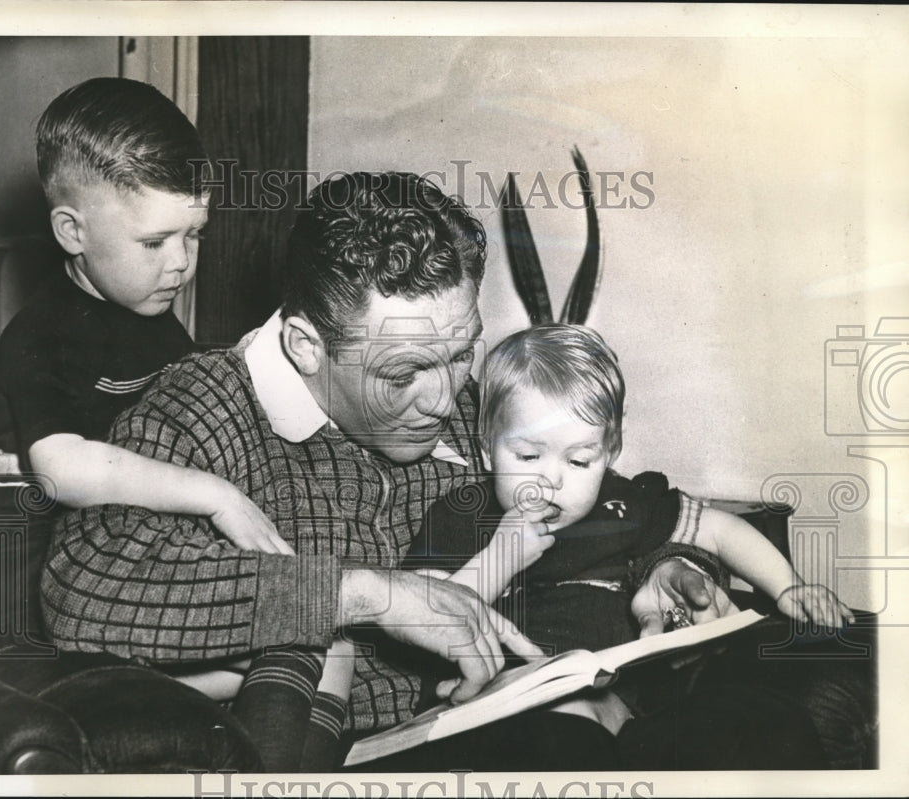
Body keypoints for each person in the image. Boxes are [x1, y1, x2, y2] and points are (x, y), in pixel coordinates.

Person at [40, 172, 758, 771]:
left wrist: (665, 565)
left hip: (527, 714)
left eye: (460, 354)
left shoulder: (475, 408)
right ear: (305, 345)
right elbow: (85, 582)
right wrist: (370, 595)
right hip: (361, 754)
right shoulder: (206, 406)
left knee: (762, 728)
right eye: (405, 372)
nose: (447, 400)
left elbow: (603, 500)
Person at [403, 323, 854, 755]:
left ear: (610, 453)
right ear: (486, 446)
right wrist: (498, 558)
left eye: (579, 460)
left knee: (770, 720)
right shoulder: (461, 514)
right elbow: (422, 619)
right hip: (518, 717)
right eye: (527, 455)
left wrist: (789, 586)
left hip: (638, 706)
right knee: (559, 740)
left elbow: (718, 528)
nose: (551, 479)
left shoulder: (621, 503)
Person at [0, 77, 290, 555]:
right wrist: (213, 495)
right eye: (154, 243)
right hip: (52, 554)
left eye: (195, 235)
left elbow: (186, 399)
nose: (181, 262)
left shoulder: (146, 304)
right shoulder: (43, 334)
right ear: (72, 232)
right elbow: (60, 467)